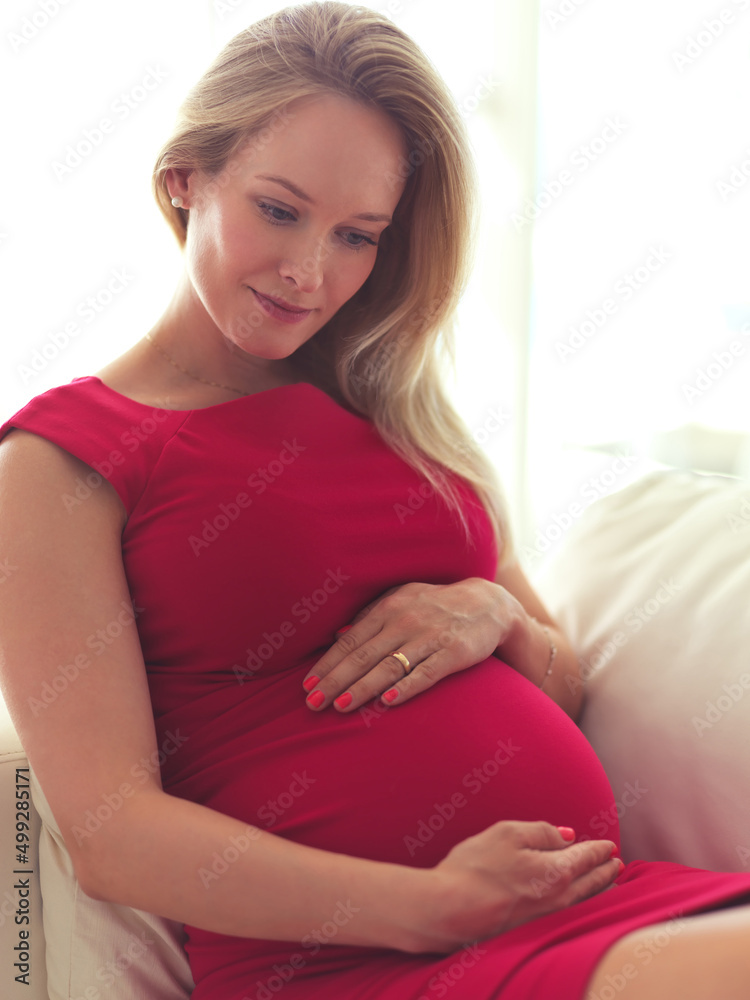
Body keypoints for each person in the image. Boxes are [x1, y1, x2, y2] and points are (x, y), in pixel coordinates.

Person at [1, 3, 750, 998]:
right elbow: (110, 833)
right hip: (359, 961)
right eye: (278, 209)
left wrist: (487, 612)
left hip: (587, 903)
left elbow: (562, 682)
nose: (311, 271)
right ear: (185, 176)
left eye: (358, 235)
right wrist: (435, 904)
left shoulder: (401, 415)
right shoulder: (59, 463)